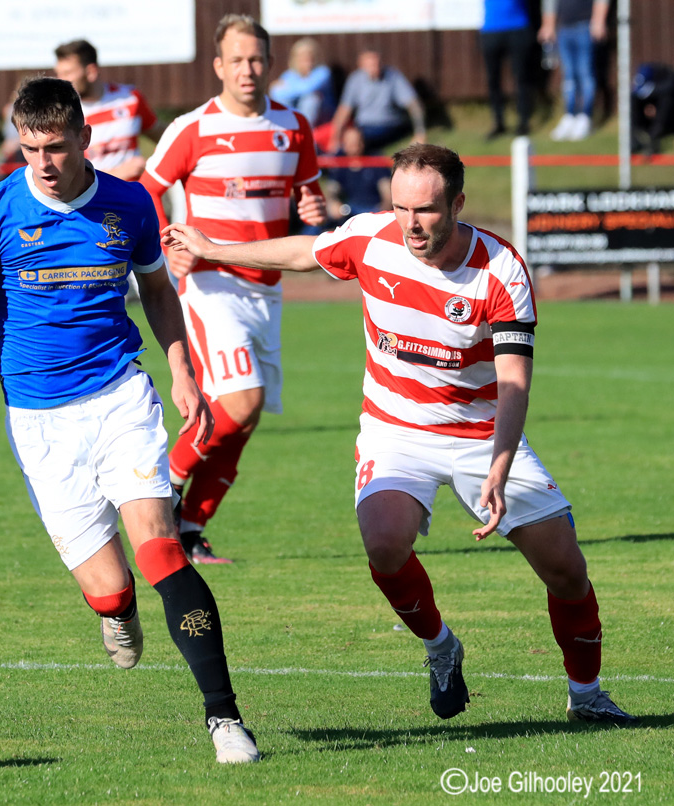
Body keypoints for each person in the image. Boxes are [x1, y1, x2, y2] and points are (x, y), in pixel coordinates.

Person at [162, 143, 638, 727]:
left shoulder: (501, 270)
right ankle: (441, 648)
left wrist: (498, 465)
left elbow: (514, 383)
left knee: (566, 568)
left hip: (482, 434)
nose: (411, 223)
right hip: (395, 430)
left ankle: (585, 696)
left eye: (428, 210)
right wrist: (213, 249)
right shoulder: (372, 237)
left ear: (459, 203)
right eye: (401, 207)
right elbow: (304, 251)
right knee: (385, 546)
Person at [0, 76, 260, 764]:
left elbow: (159, 289)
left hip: (119, 399)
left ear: (83, 138)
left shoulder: (127, 203)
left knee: (160, 547)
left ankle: (224, 719)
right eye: (28, 147)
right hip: (40, 424)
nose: (41, 161)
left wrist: (181, 369)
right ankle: (119, 612)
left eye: (53, 145)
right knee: (109, 591)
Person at [140, 14, 326, 564]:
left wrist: (315, 210)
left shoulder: (293, 127)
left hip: (267, 288)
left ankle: (192, 529)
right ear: (219, 66)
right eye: (237, 60)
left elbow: (308, 199)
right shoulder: (191, 128)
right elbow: (146, 193)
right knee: (241, 401)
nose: (248, 69)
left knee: (241, 419)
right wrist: (166, 244)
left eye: (257, 59)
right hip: (209, 283)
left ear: (269, 64)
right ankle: (164, 491)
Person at [55, 39, 161, 181]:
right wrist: (118, 174)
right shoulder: (61, 113)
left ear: (91, 72)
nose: (61, 80)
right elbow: (67, 177)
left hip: (135, 195)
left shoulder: (130, 98)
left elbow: (161, 134)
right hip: (93, 200)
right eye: (59, 74)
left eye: (67, 73)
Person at [327, 50, 426, 156]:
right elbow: (344, 109)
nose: (376, 67)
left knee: (355, 140)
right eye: (371, 65)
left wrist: (420, 132)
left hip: (388, 125)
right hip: (362, 126)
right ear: (361, 65)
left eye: (377, 63)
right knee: (346, 138)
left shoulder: (392, 77)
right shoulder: (355, 80)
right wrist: (335, 137)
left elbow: (413, 104)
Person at [539, 0, 610, 141]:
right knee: (569, 76)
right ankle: (570, 115)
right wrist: (548, 25)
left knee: (585, 74)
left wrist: (599, 20)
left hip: (585, 25)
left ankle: (585, 117)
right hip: (563, 27)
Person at [480, 0, 536, 138]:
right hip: (491, 28)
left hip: (518, 27)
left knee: (521, 76)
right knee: (493, 80)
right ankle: (498, 123)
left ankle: (523, 121)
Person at [269, 37, 336, 129]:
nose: (307, 58)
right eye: (302, 56)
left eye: (310, 55)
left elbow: (308, 88)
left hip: (322, 118)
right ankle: (286, 128)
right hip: (296, 113)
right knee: (284, 101)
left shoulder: (323, 72)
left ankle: (304, 129)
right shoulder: (290, 74)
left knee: (311, 99)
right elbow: (276, 93)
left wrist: (287, 88)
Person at [631, 63, 674, 156]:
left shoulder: (667, 80)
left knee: (666, 101)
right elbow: (637, 93)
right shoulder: (642, 77)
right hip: (647, 117)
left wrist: (655, 108)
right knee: (632, 100)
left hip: (668, 119)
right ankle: (634, 141)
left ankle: (654, 138)